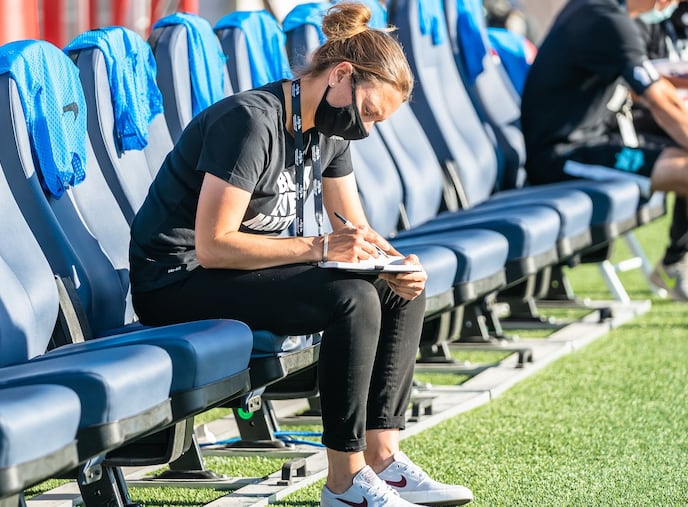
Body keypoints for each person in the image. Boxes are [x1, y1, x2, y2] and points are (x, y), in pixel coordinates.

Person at [129, 3, 473, 506]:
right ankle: (344, 482)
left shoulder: (331, 130)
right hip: (178, 280)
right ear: (341, 75)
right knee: (352, 300)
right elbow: (213, 245)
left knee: (397, 291)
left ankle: (383, 459)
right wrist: (318, 248)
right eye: (369, 112)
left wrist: (397, 262)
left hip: (237, 271)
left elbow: (354, 229)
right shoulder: (250, 123)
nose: (367, 128)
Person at [521, 0, 688, 300]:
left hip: (594, 142)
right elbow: (662, 101)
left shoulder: (601, 9)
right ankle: (674, 263)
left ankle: (674, 260)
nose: (672, 6)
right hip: (564, 155)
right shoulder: (607, 19)